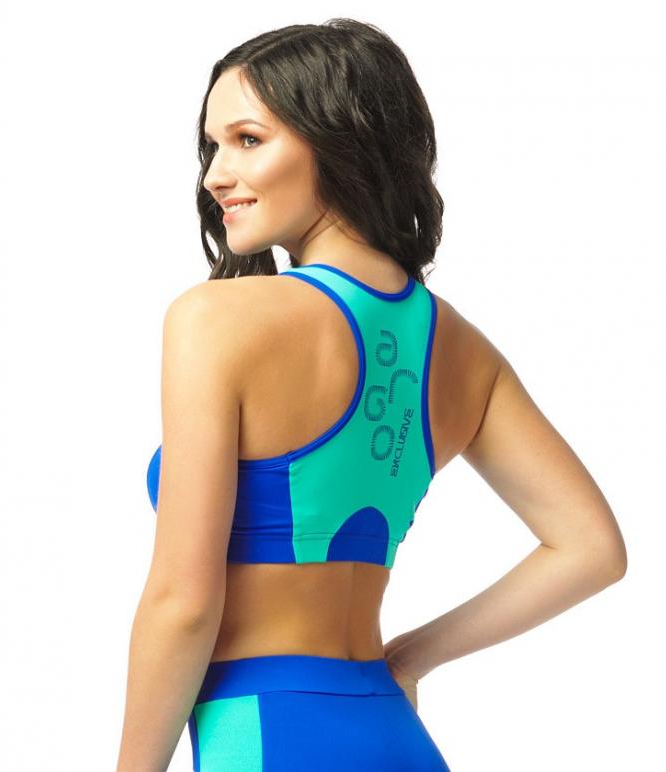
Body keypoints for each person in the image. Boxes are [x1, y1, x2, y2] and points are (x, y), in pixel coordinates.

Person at [116, 18, 627, 772]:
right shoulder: (461, 349)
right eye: (212, 147)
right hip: (394, 735)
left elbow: (183, 605)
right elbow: (591, 549)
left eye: (248, 140)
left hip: (265, 735)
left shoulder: (217, 321)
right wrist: (410, 658)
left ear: (341, 139)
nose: (215, 176)